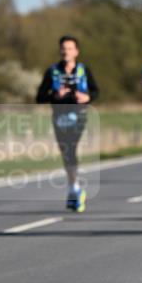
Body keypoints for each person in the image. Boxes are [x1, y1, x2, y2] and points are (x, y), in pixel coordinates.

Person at [36, 36, 99, 212]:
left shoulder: (84, 70)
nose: (66, 52)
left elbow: (95, 91)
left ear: (76, 51)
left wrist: (87, 97)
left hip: (79, 115)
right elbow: (39, 97)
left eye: (70, 48)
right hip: (59, 116)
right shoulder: (52, 71)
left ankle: (75, 190)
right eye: (63, 48)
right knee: (66, 153)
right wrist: (54, 96)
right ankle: (74, 188)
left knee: (70, 148)